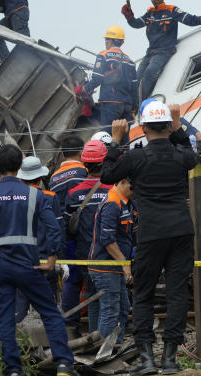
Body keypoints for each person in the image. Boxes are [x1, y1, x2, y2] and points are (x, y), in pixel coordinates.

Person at [0, 144, 75, 376]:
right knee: (50, 312)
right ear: (19, 167)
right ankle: (64, 364)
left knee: (6, 317)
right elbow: (54, 228)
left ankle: (13, 370)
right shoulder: (35, 195)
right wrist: (52, 259)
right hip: (29, 265)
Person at [104, 102, 198, 376]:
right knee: (177, 293)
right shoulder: (181, 155)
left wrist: (115, 141)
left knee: (143, 294)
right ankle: (170, 359)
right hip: (182, 230)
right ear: (169, 126)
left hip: (151, 233)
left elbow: (108, 175)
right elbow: (192, 156)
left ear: (143, 128)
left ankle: (146, 359)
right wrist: (179, 125)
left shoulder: (136, 158)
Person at [121, 0, 201, 101]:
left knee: (150, 71)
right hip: (150, 52)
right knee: (137, 77)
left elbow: (190, 20)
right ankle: (131, 105)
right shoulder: (150, 13)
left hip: (164, 51)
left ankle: (137, 103)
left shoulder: (172, 11)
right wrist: (128, 15)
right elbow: (136, 24)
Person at [63, 140, 113, 335]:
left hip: (86, 254)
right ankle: (108, 341)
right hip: (111, 254)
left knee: (93, 296)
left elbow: (68, 228)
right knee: (111, 298)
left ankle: (94, 336)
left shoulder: (74, 193)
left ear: (85, 164)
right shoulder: (113, 190)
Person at [15, 156, 65, 323]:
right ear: (41, 177)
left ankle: (17, 344)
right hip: (45, 261)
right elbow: (57, 230)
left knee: (19, 308)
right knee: (46, 308)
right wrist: (60, 259)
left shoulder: (14, 199)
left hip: (20, 261)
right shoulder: (50, 197)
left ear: (21, 178)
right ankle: (47, 341)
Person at [88, 178, 136, 345]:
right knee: (110, 311)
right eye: (133, 186)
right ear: (122, 181)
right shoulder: (112, 203)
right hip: (105, 267)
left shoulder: (126, 202)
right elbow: (107, 239)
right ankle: (103, 353)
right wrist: (125, 264)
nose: (135, 190)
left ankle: (115, 347)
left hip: (113, 267)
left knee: (122, 308)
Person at [50, 135, 88, 331]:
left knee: (71, 278)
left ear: (62, 153)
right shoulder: (85, 171)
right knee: (91, 275)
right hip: (86, 231)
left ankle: (70, 323)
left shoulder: (53, 178)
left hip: (64, 233)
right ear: (81, 152)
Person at [78, 26, 138, 135]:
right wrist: (133, 110)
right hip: (127, 106)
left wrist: (84, 90)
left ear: (110, 41)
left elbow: (97, 79)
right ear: (122, 42)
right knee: (124, 138)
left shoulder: (103, 55)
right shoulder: (130, 61)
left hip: (111, 103)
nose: (105, 42)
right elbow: (134, 88)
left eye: (106, 39)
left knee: (108, 136)